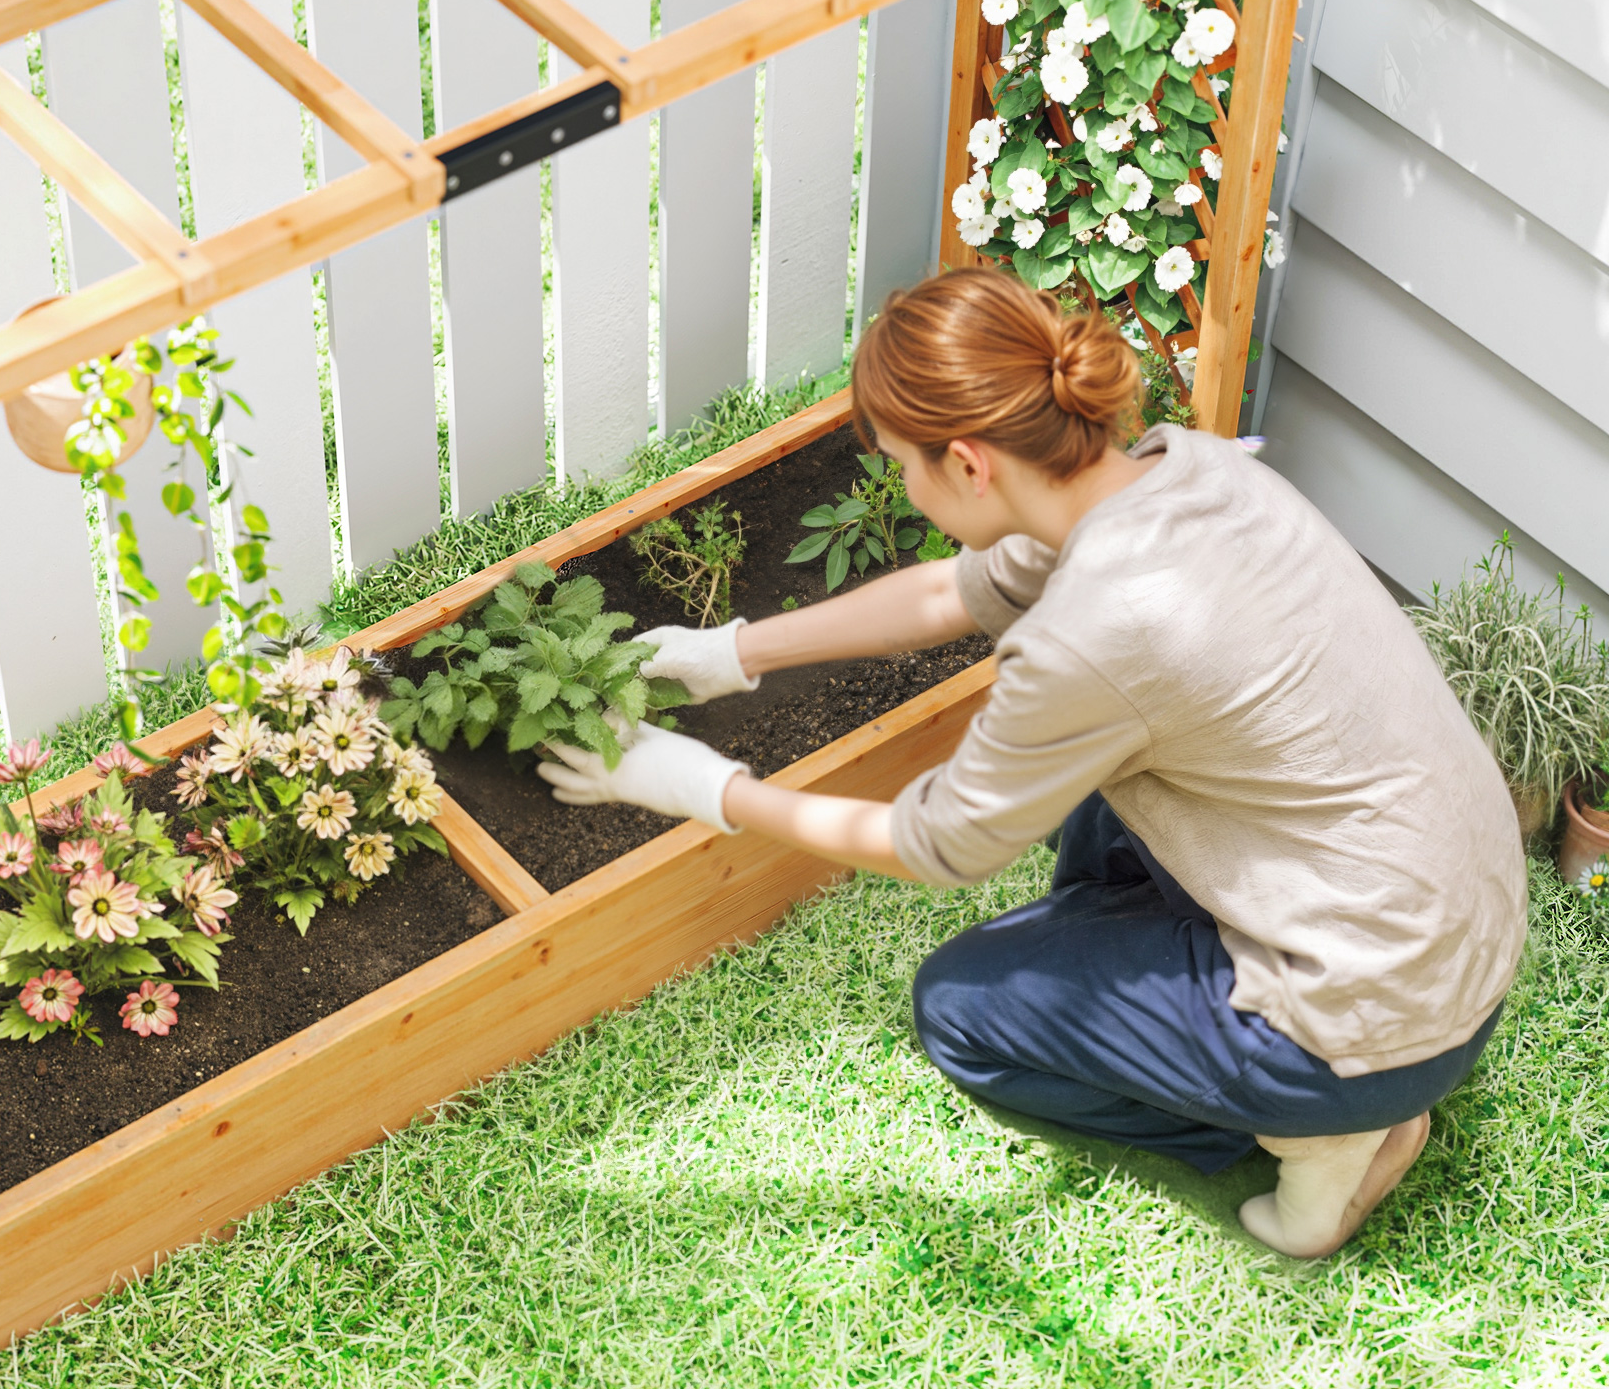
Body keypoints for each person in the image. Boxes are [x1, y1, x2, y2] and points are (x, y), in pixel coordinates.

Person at [539, 269, 1526, 1258]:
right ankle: (1290, 1052)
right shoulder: (1183, 472)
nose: (902, 490)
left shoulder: (1097, 632)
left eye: (900, 468)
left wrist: (706, 786)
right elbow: (947, 595)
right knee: (1108, 801)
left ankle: (1325, 1130)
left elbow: (936, 841)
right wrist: (727, 654)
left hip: (1370, 1002)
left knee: (961, 1012)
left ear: (967, 464)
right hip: (1449, 914)